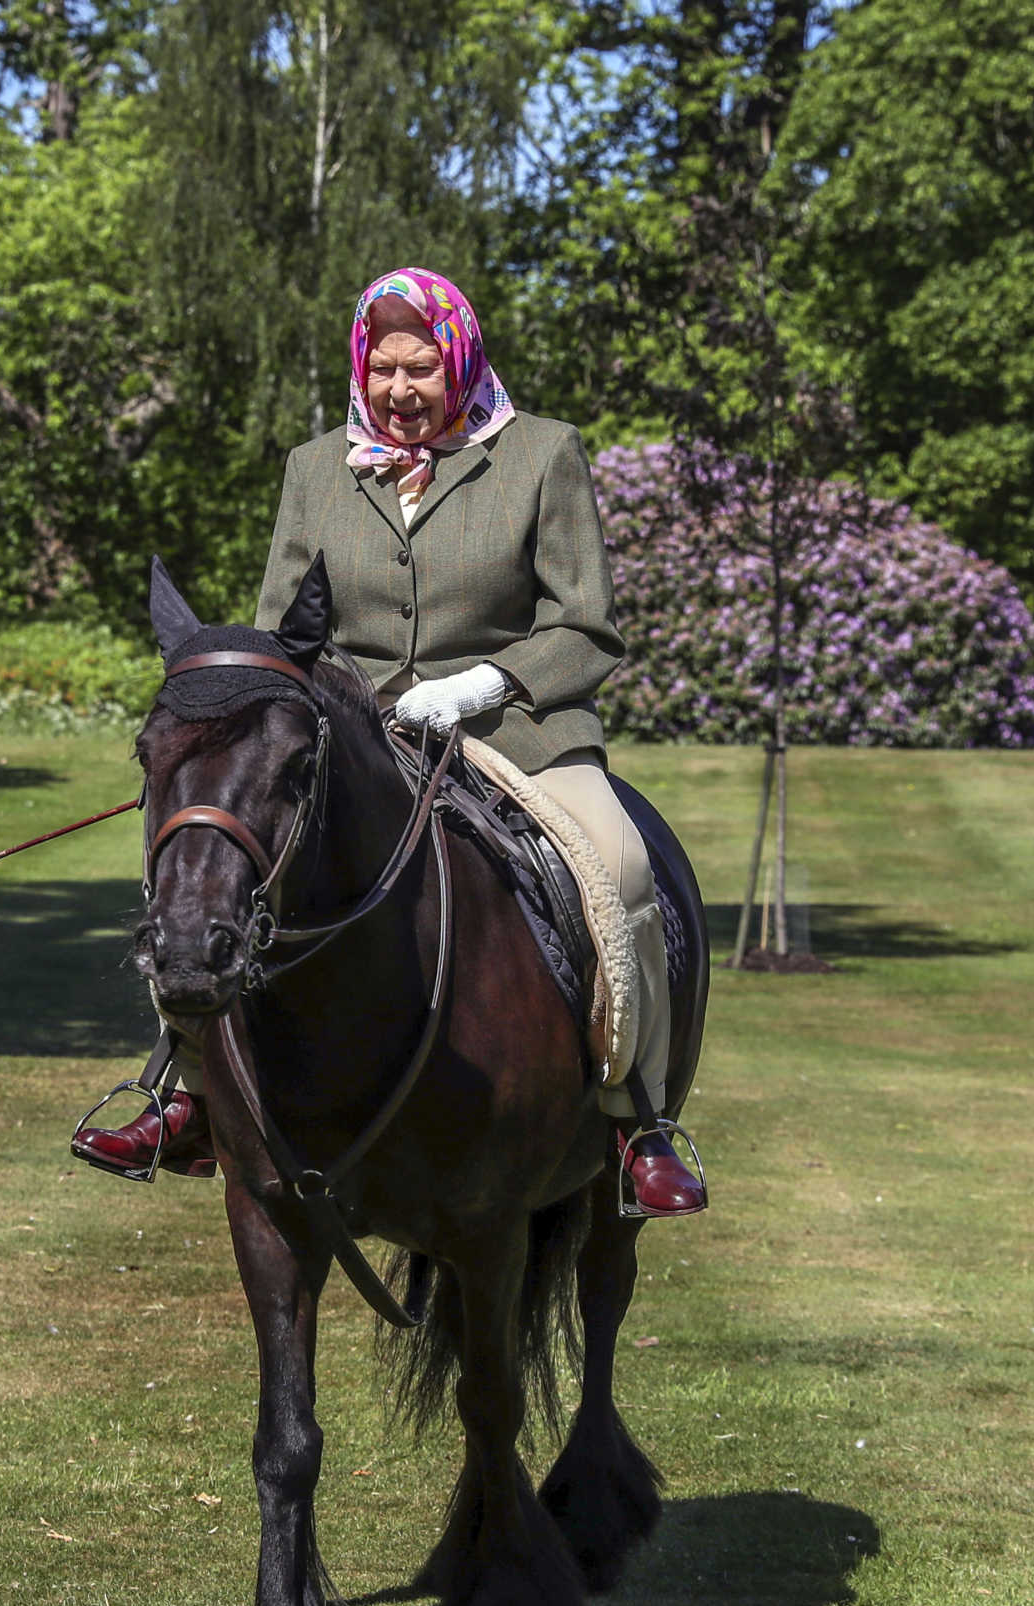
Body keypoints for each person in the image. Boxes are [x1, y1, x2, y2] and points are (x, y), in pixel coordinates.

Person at [74, 266, 704, 1217]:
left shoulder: (540, 455)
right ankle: (188, 1093)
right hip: (352, 733)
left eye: (423, 368)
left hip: (516, 728)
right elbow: (283, 631)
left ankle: (635, 1118)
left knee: (619, 866)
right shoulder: (314, 467)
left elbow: (586, 626)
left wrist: (484, 685)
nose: (402, 391)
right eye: (385, 370)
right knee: (217, 864)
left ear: (459, 359)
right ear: (361, 369)